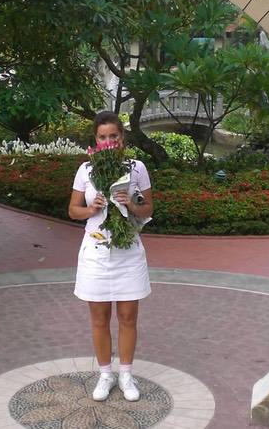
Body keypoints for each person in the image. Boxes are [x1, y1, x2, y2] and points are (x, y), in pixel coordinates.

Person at [68, 111, 154, 402]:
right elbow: (73, 210)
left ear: (122, 137)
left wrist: (131, 204)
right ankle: (106, 374)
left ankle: (126, 374)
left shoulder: (136, 168)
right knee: (99, 318)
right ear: (96, 141)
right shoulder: (86, 170)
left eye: (113, 136)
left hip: (127, 251)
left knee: (128, 317)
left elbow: (148, 209)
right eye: (102, 137)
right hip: (95, 252)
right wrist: (91, 209)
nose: (109, 142)